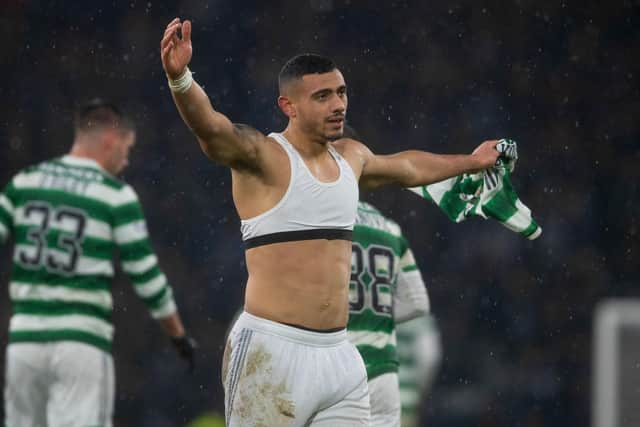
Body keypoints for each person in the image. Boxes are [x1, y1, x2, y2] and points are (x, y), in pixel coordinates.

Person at [160, 17, 500, 426]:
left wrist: (472, 161)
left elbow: (407, 166)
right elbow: (211, 128)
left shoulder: (351, 158)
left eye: (341, 92)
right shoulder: (264, 157)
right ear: (289, 106)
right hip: (272, 351)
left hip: (341, 355)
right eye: (322, 96)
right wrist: (180, 78)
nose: (338, 104)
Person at [0, 99, 197, 427]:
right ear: (111, 140)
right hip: (80, 342)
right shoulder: (114, 195)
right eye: (127, 148)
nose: (126, 160)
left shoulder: (25, 182)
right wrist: (177, 334)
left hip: (25, 342)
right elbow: (145, 275)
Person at [347, 200, 436, 426]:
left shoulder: (328, 222)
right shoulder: (391, 228)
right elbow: (428, 354)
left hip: (344, 378)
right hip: (391, 384)